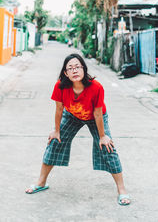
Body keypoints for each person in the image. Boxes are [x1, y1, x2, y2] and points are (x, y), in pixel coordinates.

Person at [26, 53, 130, 206]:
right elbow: (59, 109)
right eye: (70, 68)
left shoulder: (96, 87)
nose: (74, 71)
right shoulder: (60, 85)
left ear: (84, 69)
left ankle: (122, 190)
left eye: (77, 67)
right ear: (65, 73)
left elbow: (98, 113)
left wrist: (102, 136)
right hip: (72, 115)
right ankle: (41, 183)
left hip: (96, 118)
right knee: (54, 142)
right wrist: (56, 130)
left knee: (108, 148)